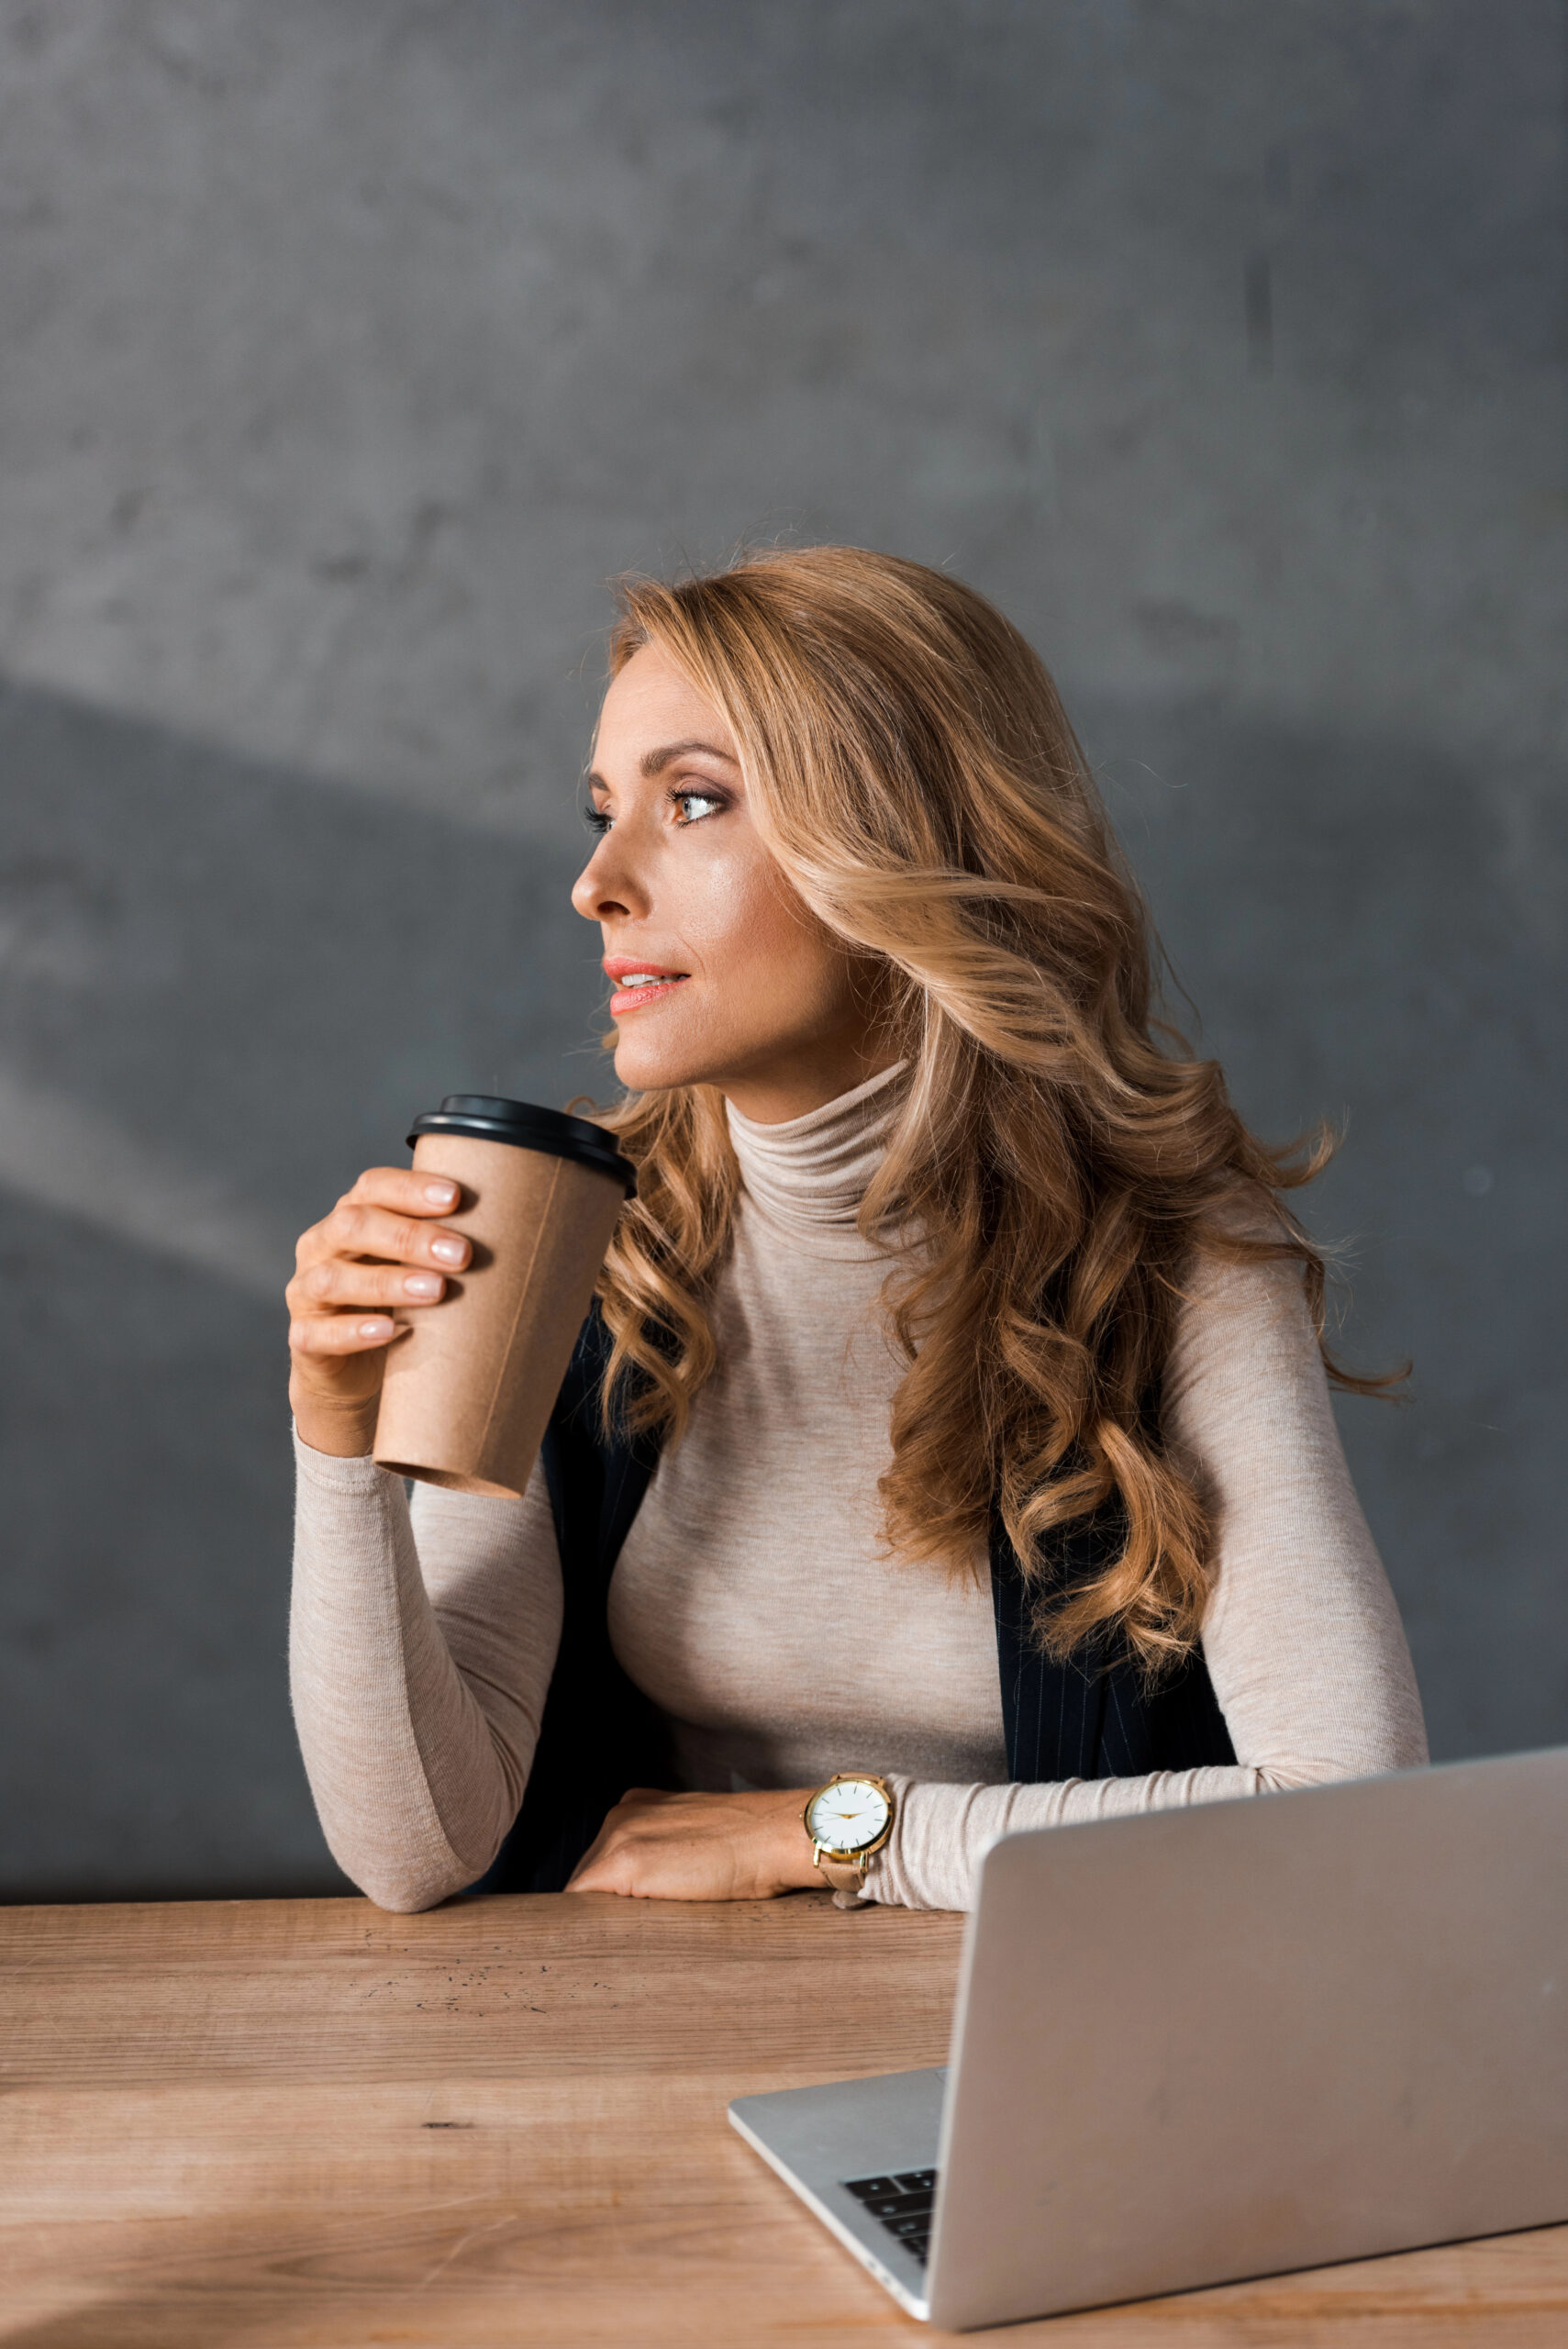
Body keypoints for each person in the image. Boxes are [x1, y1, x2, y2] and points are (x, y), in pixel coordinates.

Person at [286, 546, 1427, 1916]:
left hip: (1057, 2060)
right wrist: (338, 1445)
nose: (596, 881)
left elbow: (1350, 1814)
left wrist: (841, 1834)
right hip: (623, 2042)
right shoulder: (582, 1238)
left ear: (899, 846)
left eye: (692, 802)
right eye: (601, 813)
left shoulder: (1173, 1258)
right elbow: (419, 1849)